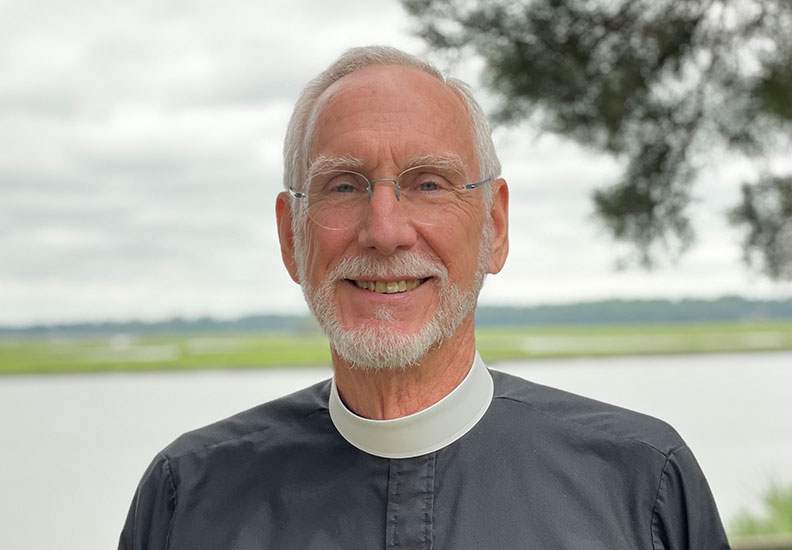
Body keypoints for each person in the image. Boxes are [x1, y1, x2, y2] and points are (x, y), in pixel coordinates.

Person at [119, 46, 730, 549]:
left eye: (429, 184)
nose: (384, 230)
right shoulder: (188, 497)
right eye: (343, 186)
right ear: (290, 237)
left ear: (495, 225)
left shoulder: (643, 484)